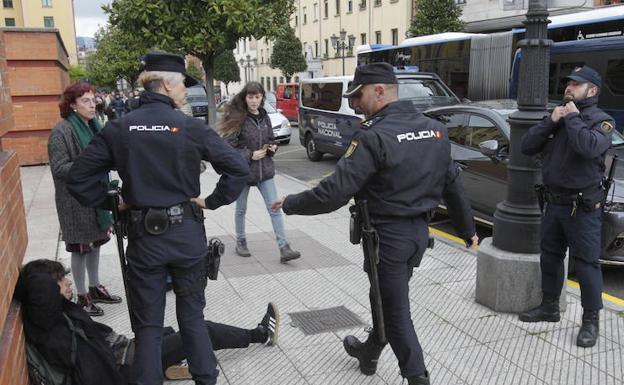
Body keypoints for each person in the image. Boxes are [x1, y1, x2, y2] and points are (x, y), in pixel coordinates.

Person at [272, 63, 477, 385]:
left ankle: (417, 377)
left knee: (396, 315)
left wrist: (293, 203)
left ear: (380, 91)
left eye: (359, 95)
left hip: (387, 240)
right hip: (417, 237)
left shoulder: (374, 135)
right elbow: (452, 183)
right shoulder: (434, 129)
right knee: (383, 297)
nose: (354, 103)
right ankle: (369, 353)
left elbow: (335, 192)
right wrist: (468, 231)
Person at [65, 51, 250, 385]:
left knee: (148, 327)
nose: (185, 93)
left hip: (144, 240)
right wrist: (212, 201)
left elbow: (77, 179)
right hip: (187, 235)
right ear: (166, 83)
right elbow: (238, 168)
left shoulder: (119, 128)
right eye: (183, 86)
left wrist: (114, 203)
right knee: (192, 317)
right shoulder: (190, 126)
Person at [14, 259, 280, 384]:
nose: (69, 282)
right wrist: (44, 281)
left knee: (170, 332)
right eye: (61, 280)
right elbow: (38, 288)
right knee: (200, 331)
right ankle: (259, 334)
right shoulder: (47, 321)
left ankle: (174, 363)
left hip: (125, 353)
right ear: (46, 290)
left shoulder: (56, 313)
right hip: (127, 366)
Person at [519, 65, 614, 348]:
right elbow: (526, 146)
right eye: (568, 83)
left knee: (586, 265)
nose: (569, 88)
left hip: (583, 207)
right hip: (554, 203)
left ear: (592, 90)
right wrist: (551, 121)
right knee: (549, 258)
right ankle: (549, 307)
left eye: (576, 84)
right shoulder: (558, 116)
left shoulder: (602, 121)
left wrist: (571, 117)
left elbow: (587, 147)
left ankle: (590, 321)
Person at [47, 82, 122, 317]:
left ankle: (95, 287)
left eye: (93, 100)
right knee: (80, 248)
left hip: (95, 195)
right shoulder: (62, 132)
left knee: (96, 242)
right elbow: (59, 168)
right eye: (86, 101)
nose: (93, 105)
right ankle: (81, 295)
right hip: (74, 200)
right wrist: (91, 164)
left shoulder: (94, 126)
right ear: (72, 106)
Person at [218, 81, 301, 263]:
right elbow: (228, 147)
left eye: (257, 97)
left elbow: (272, 139)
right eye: (250, 97)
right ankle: (240, 241)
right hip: (243, 172)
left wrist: (272, 147)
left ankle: (284, 247)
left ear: (262, 97)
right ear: (245, 97)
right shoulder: (238, 117)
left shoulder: (265, 117)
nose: (254, 101)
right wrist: (249, 155)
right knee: (241, 209)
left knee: (275, 209)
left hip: (265, 171)